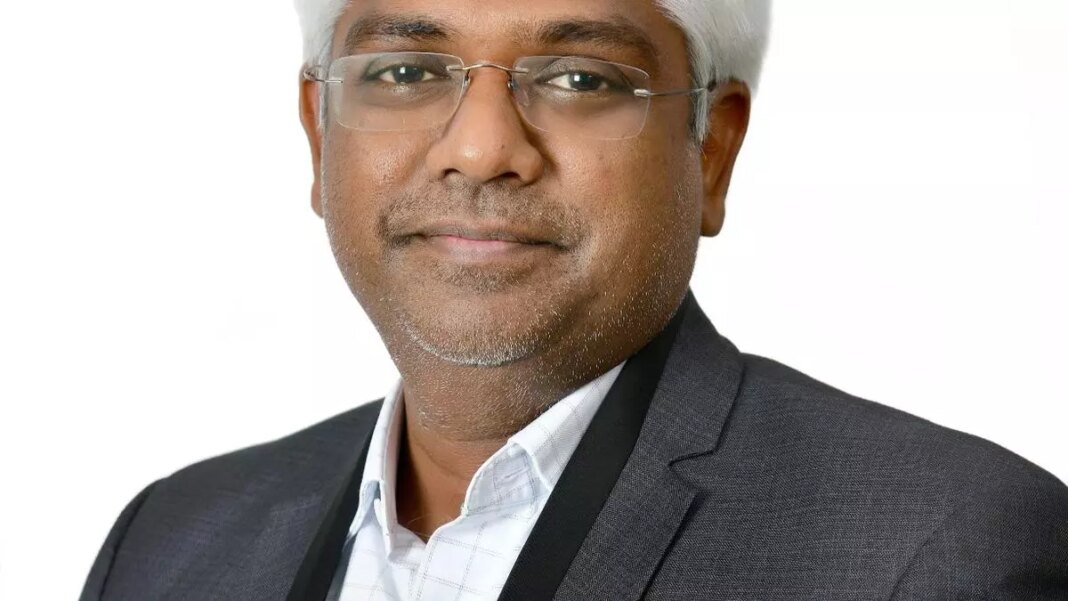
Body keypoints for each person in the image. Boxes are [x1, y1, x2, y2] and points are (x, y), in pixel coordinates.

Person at [79, 0, 1068, 599]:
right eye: (407, 70)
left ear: (711, 150)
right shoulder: (172, 545)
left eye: (582, 76)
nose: (480, 146)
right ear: (318, 133)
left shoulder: (941, 554)